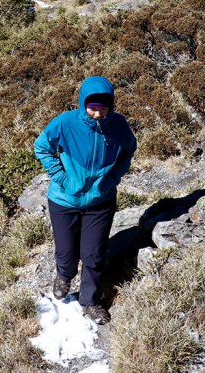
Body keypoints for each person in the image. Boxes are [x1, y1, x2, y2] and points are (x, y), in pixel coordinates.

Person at [33, 76, 137, 324]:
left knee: (93, 255)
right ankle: (64, 276)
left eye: (103, 108)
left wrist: (112, 178)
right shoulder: (65, 123)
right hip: (64, 201)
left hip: (100, 202)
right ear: (82, 103)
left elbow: (128, 150)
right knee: (66, 252)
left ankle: (90, 301)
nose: (98, 114)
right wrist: (62, 178)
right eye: (92, 108)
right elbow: (42, 147)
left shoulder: (118, 125)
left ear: (111, 105)